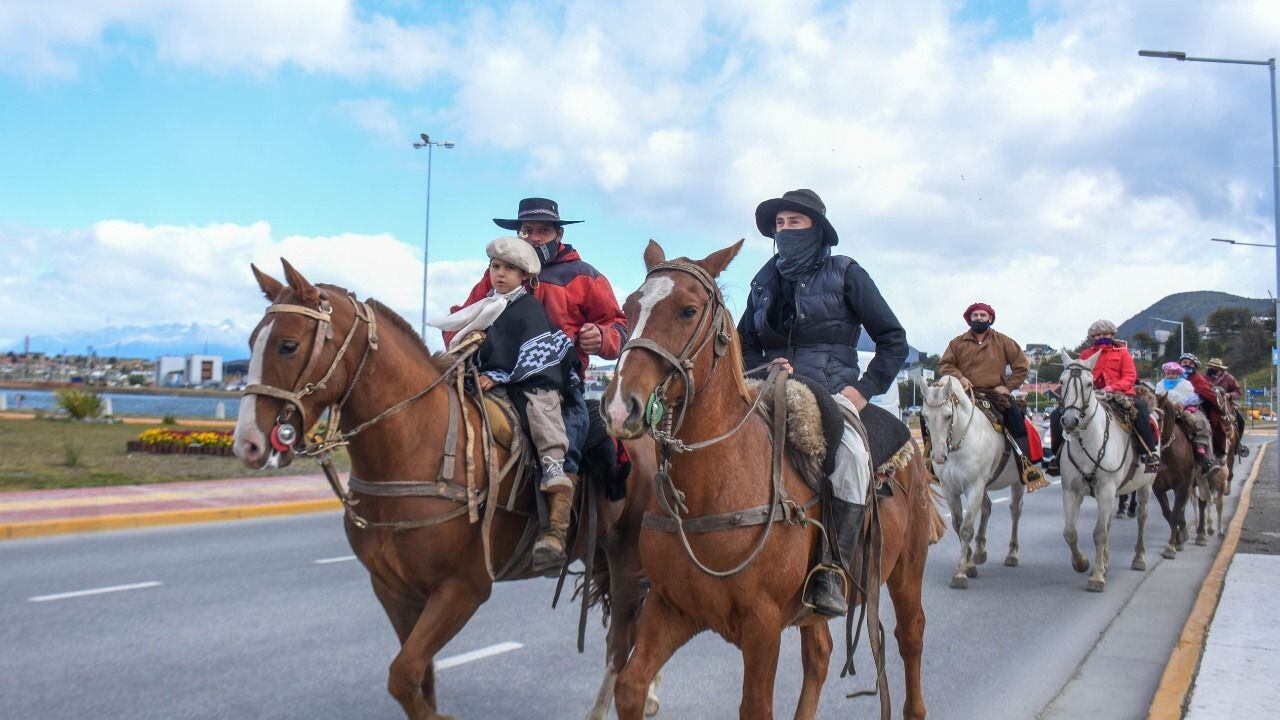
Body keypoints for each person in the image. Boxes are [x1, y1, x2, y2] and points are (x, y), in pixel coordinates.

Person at [738, 188, 909, 617]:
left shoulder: (846, 272)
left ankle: (831, 569)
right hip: (769, 386)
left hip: (833, 390)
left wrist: (863, 390)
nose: (785, 230)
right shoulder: (762, 282)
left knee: (850, 457)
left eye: (794, 222)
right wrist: (762, 364)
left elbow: (894, 339)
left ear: (816, 229)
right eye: (779, 224)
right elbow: (741, 344)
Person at [445, 198, 629, 572]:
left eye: (542, 230)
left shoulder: (584, 274)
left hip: (555, 380)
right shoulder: (497, 272)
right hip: (492, 377)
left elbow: (619, 326)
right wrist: (460, 342)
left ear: (559, 234)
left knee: (564, 435)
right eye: (525, 230)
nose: (532, 236)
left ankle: (554, 531)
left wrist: (603, 337)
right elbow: (464, 317)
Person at [430, 237, 578, 519]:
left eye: (509, 268)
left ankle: (552, 465)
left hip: (534, 376)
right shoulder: (485, 307)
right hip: (488, 376)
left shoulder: (528, 308)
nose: (500, 273)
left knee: (541, 405)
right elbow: (480, 342)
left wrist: (500, 375)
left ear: (523, 275)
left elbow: (533, 351)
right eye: (495, 266)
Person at [938, 302, 1048, 491]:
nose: (979, 318)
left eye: (983, 315)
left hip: (994, 394)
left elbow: (1022, 366)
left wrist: (1008, 386)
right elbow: (946, 365)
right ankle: (932, 463)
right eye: (975, 315)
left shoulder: (1003, 341)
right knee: (936, 416)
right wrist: (961, 378)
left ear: (990, 318)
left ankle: (1026, 467)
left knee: (1017, 421)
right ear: (969, 319)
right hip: (964, 393)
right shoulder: (957, 343)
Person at [1044, 320, 1161, 475]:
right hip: (1091, 396)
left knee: (1139, 408)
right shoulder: (1086, 354)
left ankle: (1148, 451)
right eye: (1098, 335)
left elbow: (1130, 376)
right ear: (1093, 336)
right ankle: (1057, 455)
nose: (1102, 337)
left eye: (1105, 334)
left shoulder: (1122, 353)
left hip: (1120, 393)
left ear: (1112, 334)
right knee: (1056, 415)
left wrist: (1113, 387)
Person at [1155, 361, 1217, 474]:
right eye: (1168, 373)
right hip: (1165, 412)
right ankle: (1151, 452)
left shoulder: (1186, 384)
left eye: (1173, 373)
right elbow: (1157, 398)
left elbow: (1194, 397)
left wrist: (1183, 403)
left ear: (1178, 373)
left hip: (1185, 409)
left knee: (1201, 421)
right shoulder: (1160, 384)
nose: (1170, 376)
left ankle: (1200, 449)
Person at [1179, 353, 1226, 461]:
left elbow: (1205, 394)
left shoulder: (1198, 379)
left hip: (1192, 407)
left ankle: (1204, 452)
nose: (1187, 365)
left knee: (1202, 422)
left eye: (1190, 363)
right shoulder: (1173, 375)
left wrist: (1185, 402)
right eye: (1184, 363)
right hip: (1172, 406)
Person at [1206, 357, 1246, 439]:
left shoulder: (1229, 378)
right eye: (1209, 365)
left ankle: (1238, 444)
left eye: (1212, 366)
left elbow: (1238, 391)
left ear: (1218, 368)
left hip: (1226, 405)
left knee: (1240, 421)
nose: (1209, 367)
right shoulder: (1205, 377)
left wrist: (1229, 395)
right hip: (1208, 404)